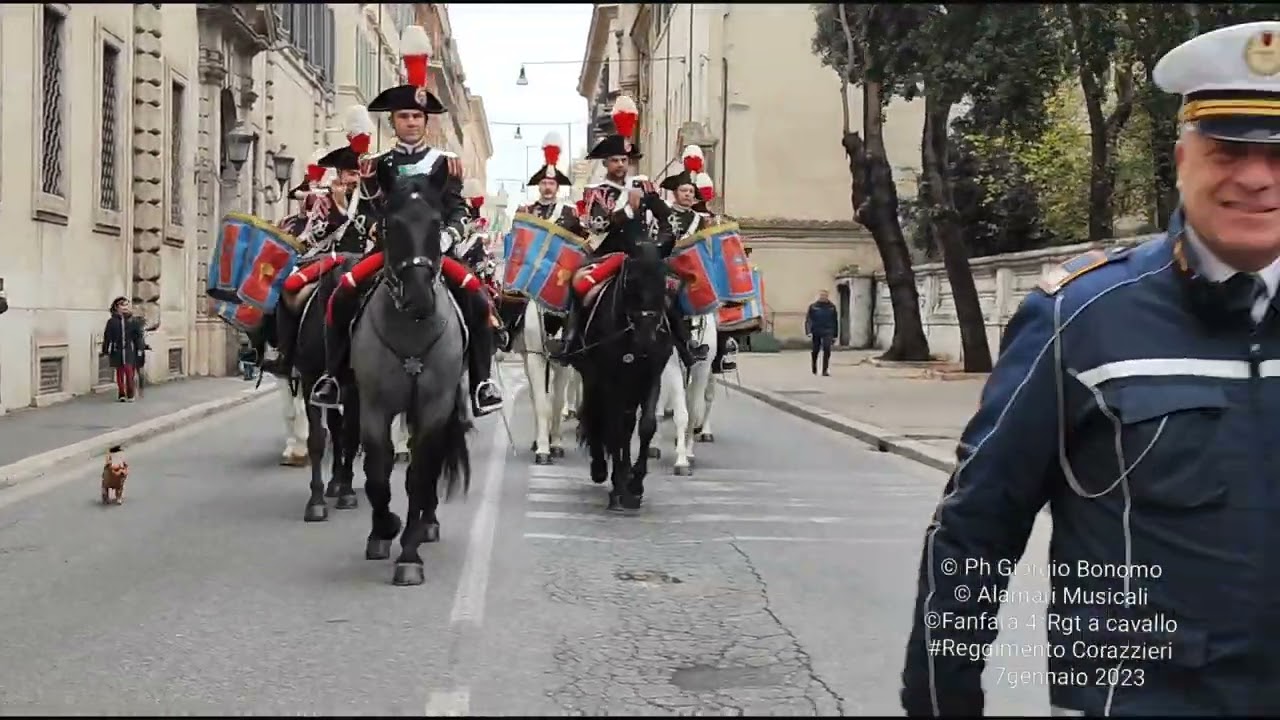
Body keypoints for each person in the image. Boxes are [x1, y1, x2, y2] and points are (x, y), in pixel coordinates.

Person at [900, 21, 1280, 717]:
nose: (1255, 177)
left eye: (1279, 155)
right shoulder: (1082, 318)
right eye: (1227, 149)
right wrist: (939, 702)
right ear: (1181, 159)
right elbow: (976, 531)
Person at [308, 26, 503, 417]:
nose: (411, 122)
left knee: (478, 299)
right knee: (341, 293)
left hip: (435, 251)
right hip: (389, 254)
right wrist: (373, 214)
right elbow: (363, 216)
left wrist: (448, 236)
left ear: (425, 121)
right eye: (404, 116)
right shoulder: (376, 166)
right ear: (393, 122)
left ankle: (482, 382)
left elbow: (460, 211)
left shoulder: (445, 164)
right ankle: (331, 376)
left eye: (417, 116)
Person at [552, 99, 709, 368]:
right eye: (615, 160)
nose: (621, 165)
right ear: (606, 163)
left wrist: (662, 243)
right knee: (578, 284)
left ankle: (686, 344)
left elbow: (666, 216)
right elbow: (595, 224)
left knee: (672, 286)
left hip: (643, 257)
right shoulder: (596, 191)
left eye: (624, 160)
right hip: (609, 256)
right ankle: (571, 340)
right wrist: (627, 210)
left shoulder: (643, 186)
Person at [101, 296, 144, 402]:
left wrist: (140, 349)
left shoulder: (132, 321)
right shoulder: (112, 321)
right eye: (122, 305)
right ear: (116, 307)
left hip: (129, 350)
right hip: (117, 350)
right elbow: (107, 336)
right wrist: (105, 349)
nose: (124, 307)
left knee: (130, 372)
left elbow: (138, 336)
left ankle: (130, 394)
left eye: (126, 305)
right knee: (120, 373)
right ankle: (121, 394)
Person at [804, 290, 838, 376]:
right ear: (819, 296)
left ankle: (825, 370)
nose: (823, 297)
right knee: (815, 350)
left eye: (825, 296)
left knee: (827, 348)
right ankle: (814, 365)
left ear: (827, 297)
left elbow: (835, 321)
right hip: (816, 330)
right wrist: (808, 331)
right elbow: (808, 320)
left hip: (828, 330)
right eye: (822, 295)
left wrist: (835, 334)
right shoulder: (813, 307)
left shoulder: (832, 307)